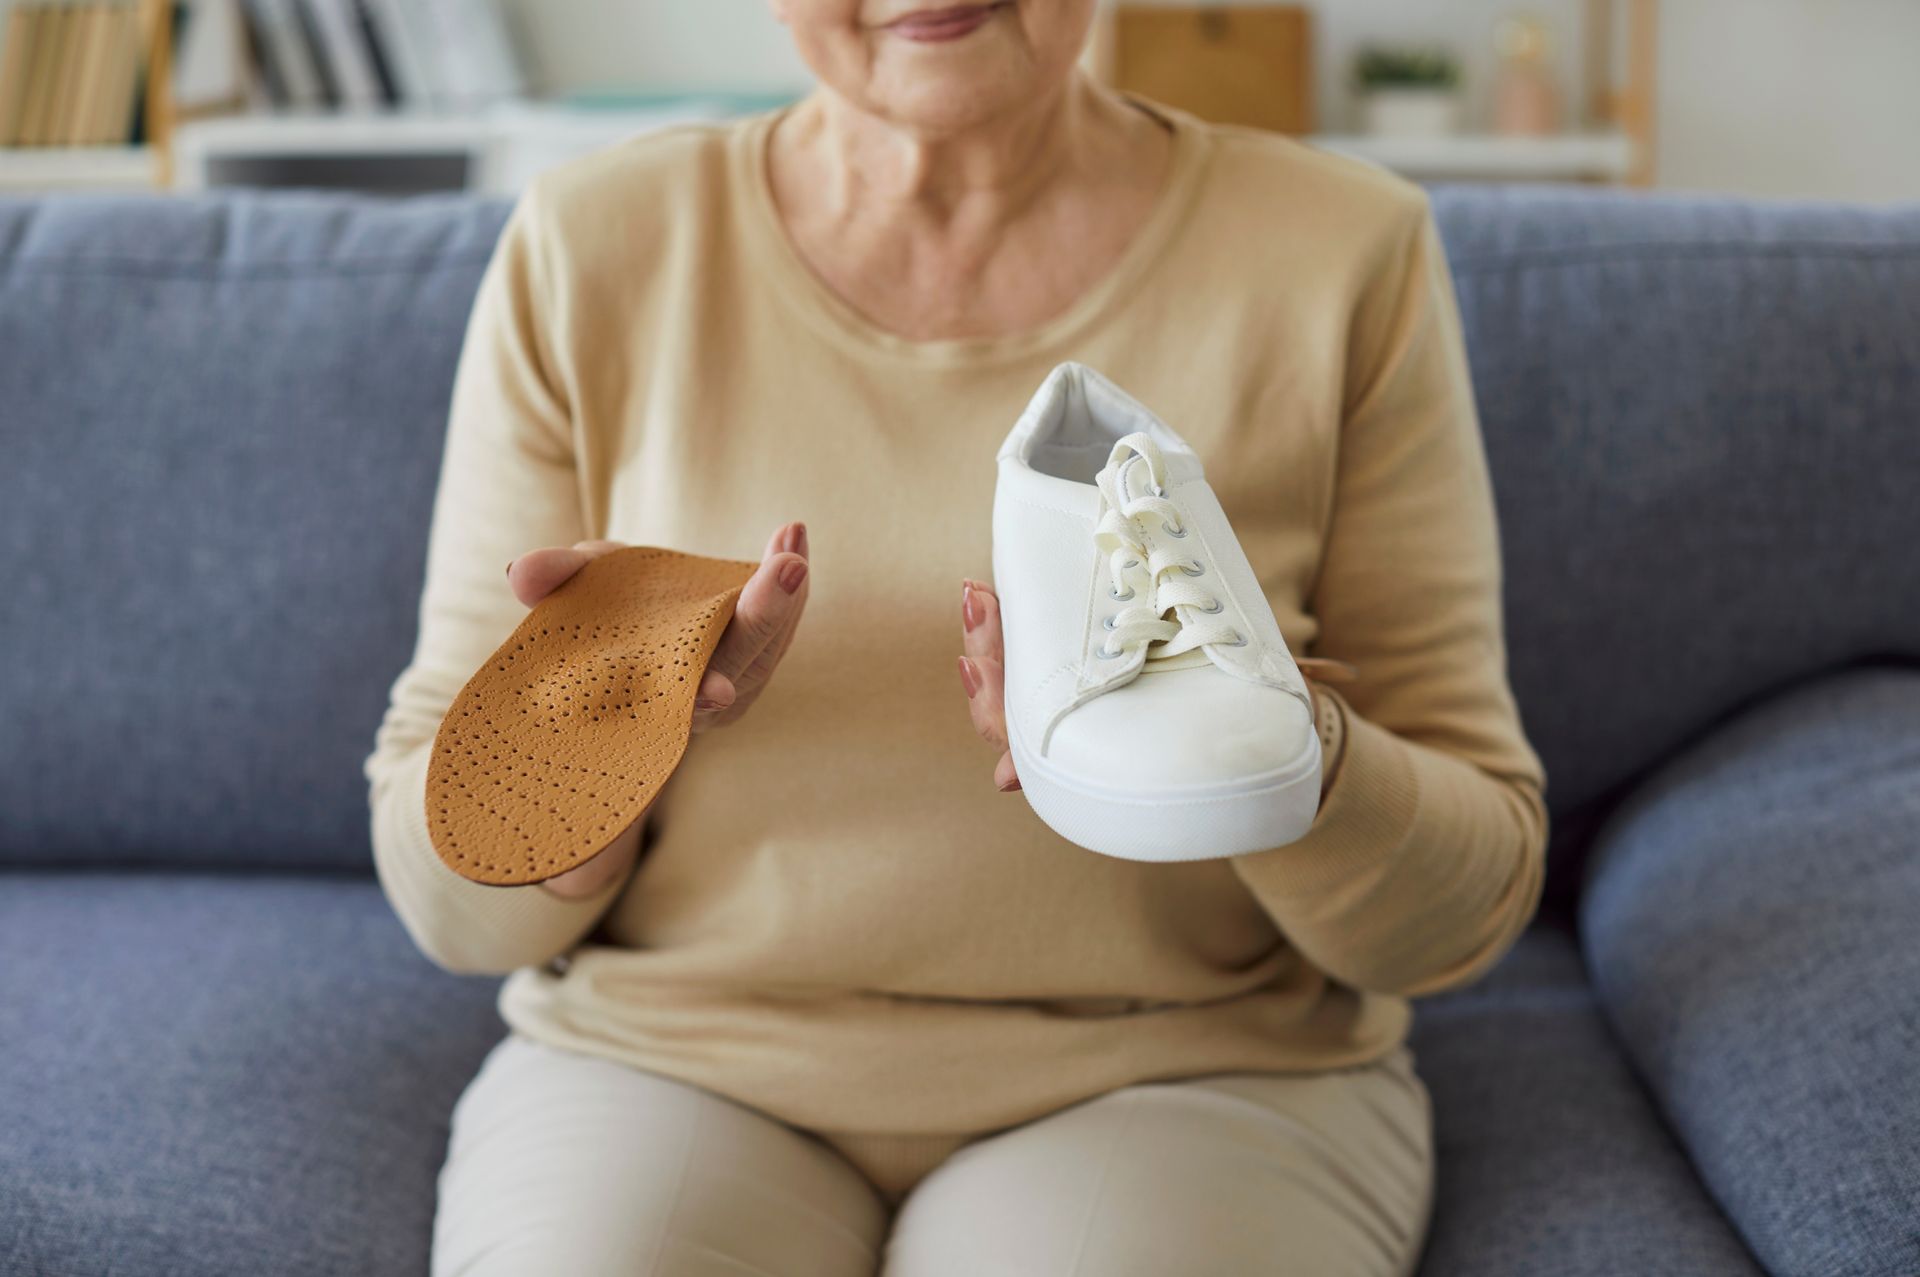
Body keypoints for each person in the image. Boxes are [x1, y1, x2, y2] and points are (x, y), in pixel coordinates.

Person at [361, 2, 1550, 1273]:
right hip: (676, 1062)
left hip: (1188, 1073)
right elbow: (450, 910)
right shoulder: (588, 247)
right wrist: (590, 718)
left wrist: (1264, 743)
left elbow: (1464, 910)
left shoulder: (1341, 250)